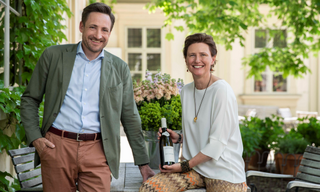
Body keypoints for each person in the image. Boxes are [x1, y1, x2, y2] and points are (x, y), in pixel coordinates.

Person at [20, 2, 155, 192]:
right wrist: (36, 138)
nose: (98, 35)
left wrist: (143, 163)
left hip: (99, 150)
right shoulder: (53, 56)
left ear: (110, 32)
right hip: (56, 147)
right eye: (93, 27)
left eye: (104, 30)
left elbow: (130, 116)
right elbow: (30, 99)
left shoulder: (120, 68)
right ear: (81, 26)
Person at [140, 33, 247, 192]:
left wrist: (183, 166)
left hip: (224, 171)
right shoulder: (187, 91)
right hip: (195, 169)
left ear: (213, 59)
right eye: (192, 55)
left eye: (203, 55)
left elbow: (216, 144)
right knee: (149, 189)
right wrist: (180, 138)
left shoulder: (221, 91)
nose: (197, 60)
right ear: (186, 60)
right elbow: (201, 131)